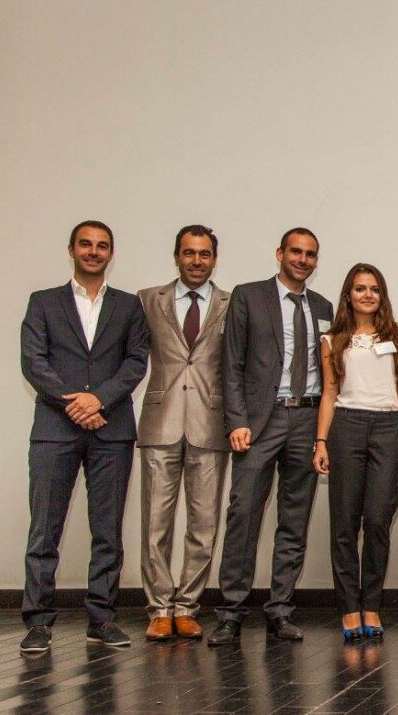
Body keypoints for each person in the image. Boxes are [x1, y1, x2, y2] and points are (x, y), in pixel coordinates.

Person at [18, 220, 149, 653]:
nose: (94, 251)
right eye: (86, 244)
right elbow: (34, 363)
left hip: (111, 432)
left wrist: (98, 402)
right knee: (44, 531)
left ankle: (103, 619)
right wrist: (75, 404)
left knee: (107, 531)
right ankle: (38, 622)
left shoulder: (130, 306)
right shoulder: (43, 302)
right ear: (71, 249)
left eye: (102, 246)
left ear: (111, 253)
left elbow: (135, 363)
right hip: (55, 431)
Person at [210, 228, 333, 646]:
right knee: (244, 514)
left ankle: (280, 609)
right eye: (295, 251)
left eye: (310, 254)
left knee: (294, 520)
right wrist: (236, 420)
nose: (302, 259)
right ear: (280, 253)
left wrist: (323, 434)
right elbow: (231, 364)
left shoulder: (324, 307)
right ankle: (230, 612)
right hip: (260, 422)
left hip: (308, 419)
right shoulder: (248, 296)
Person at [313, 264, 398, 642]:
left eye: (374, 288)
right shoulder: (332, 339)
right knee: (344, 523)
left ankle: (371, 603)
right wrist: (321, 440)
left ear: (382, 294)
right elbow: (328, 392)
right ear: (349, 295)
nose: (368, 294)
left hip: (388, 427)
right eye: (360, 289)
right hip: (346, 426)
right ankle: (349, 608)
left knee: (376, 519)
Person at [136, 225, 230, 641]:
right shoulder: (146, 301)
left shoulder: (232, 303)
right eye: (189, 253)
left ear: (214, 259)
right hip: (161, 421)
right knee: (155, 524)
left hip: (211, 424)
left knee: (204, 524)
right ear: (176, 256)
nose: (197, 261)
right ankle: (159, 608)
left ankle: (188, 606)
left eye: (205, 254)